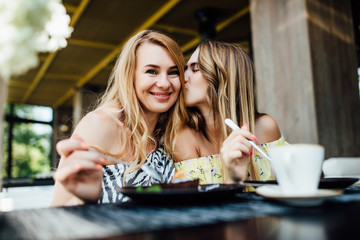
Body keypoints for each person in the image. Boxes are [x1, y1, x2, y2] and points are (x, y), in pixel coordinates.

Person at [50, 30, 187, 206]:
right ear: (130, 75)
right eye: (152, 71)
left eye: (173, 72)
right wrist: (84, 200)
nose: (164, 83)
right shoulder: (100, 124)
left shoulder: (166, 132)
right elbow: (56, 212)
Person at [173, 40, 288, 185]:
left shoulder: (265, 127)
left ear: (224, 78)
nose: (183, 78)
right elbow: (197, 205)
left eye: (195, 69)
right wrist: (233, 179)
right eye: (185, 69)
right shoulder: (184, 137)